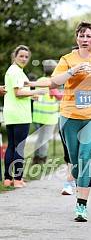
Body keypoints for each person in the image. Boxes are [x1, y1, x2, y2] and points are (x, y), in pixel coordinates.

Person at [28, 21, 91, 222]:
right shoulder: (67, 59)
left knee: (85, 157)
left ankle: (81, 206)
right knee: (75, 161)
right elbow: (54, 82)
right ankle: (76, 183)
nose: (84, 39)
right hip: (69, 116)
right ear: (76, 38)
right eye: (81, 35)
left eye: (88, 36)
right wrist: (73, 70)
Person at [3, 45, 47, 188]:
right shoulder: (16, 71)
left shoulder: (14, 71)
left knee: (11, 146)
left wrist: (31, 96)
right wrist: (38, 92)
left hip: (11, 113)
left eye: (26, 57)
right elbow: (18, 92)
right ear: (14, 56)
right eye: (21, 56)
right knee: (19, 147)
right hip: (20, 115)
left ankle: (7, 179)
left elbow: (18, 93)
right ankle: (18, 179)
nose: (24, 59)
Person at [32, 59, 63, 164]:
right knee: (46, 139)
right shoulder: (51, 82)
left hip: (38, 115)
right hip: (49, 116)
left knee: (39, 138)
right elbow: (58, 96)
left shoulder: (39, 80)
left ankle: (36, 157)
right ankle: (42, 157)